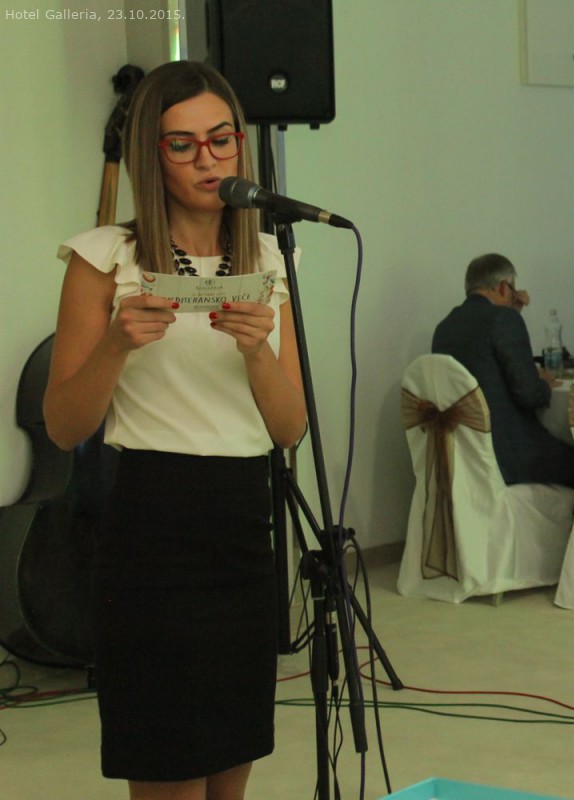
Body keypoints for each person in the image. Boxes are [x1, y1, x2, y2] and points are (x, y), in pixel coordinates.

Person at [43, 61, 306, 799]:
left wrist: (256, 350)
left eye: (221, 140)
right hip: (151, 529)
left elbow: (289, 429)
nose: (207, 160)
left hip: (242, 527)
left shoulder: (268, 257)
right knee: (169, 767)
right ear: (149, 156)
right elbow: (63, 426)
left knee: (231, 764)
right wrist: (116, 345)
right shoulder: (106, 258)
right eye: (182, 145)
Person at [432, 253, 574, 488]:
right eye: (512, 289)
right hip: (509, 456)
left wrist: (512, 312)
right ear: (502, 287)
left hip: (463, 457)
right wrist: (544, 384)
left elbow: (487, 368)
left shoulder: (444, 328)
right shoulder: (504, 320)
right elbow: (530, 395)